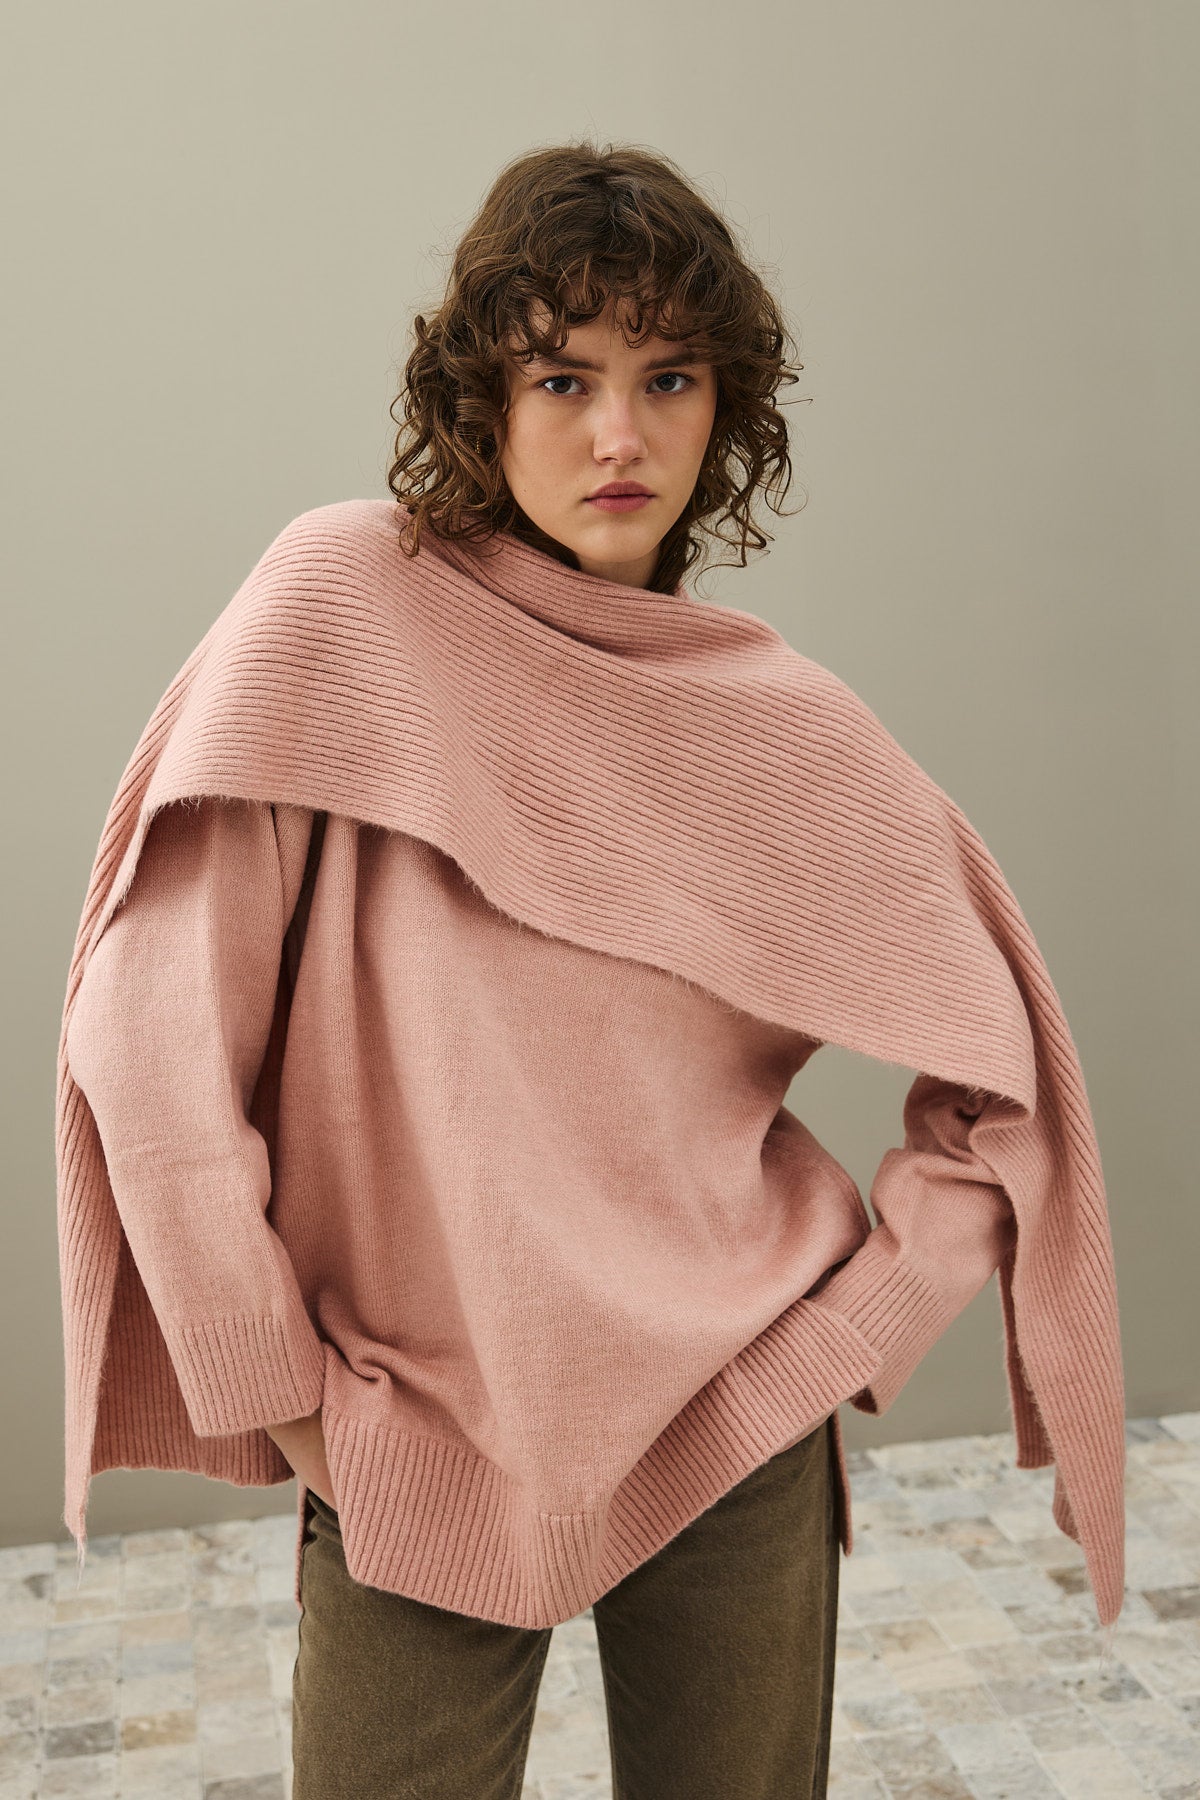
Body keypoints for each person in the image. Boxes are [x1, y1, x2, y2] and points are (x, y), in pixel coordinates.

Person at [56, 141, 1125, 1800]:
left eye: (669, 378)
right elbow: (148, 1038)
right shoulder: (344, 610)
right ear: (480, 398)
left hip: (734, 1421)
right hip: (410, 1425)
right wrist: (285, 1394)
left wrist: (854, 1332)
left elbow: (1012, 1080)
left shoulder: (779, 726)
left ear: (724, 409)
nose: (619, 435)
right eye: (564, 378)